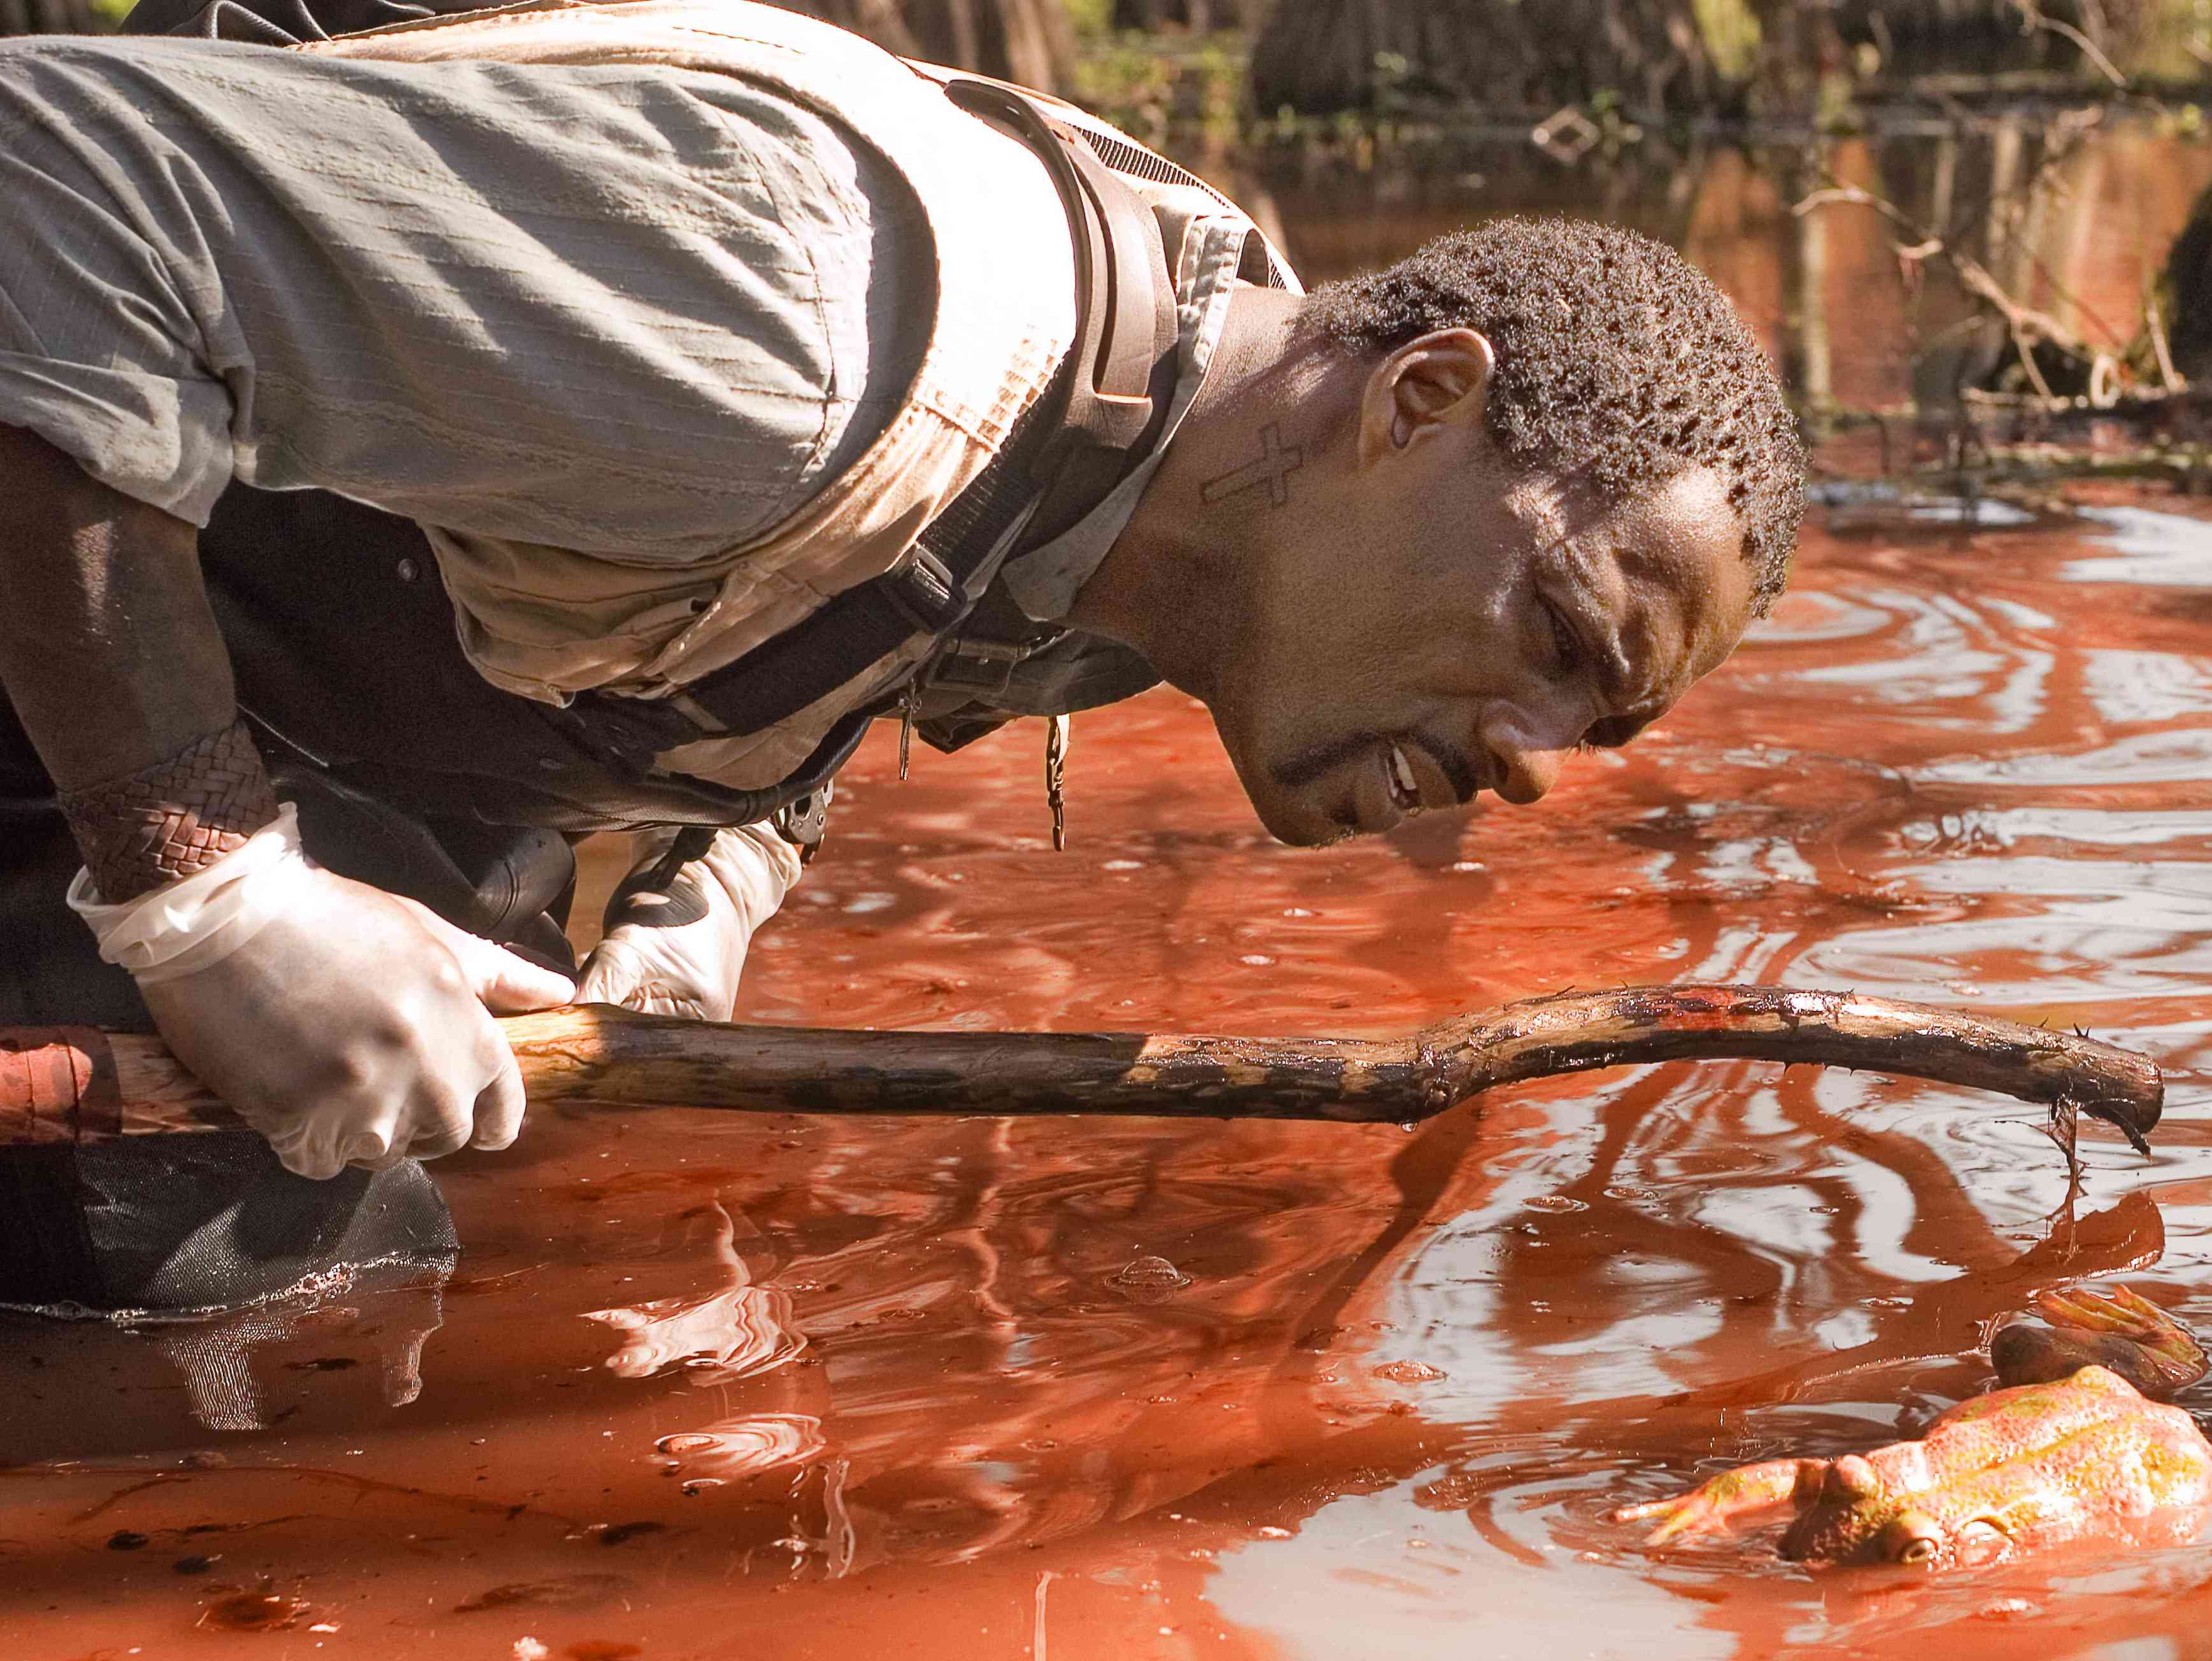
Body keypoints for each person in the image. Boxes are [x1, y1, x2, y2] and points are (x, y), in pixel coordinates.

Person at [0, 0, 1808, 1313]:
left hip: (331, 717)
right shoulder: (797, 331)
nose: (1533, 764)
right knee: (226, 1266)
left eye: (1605, 721)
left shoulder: (1178, 535)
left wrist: (695, 905)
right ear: (1421, 399)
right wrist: (213, 898)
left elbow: (841, 646)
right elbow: (45, 188)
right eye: (1561, 635)